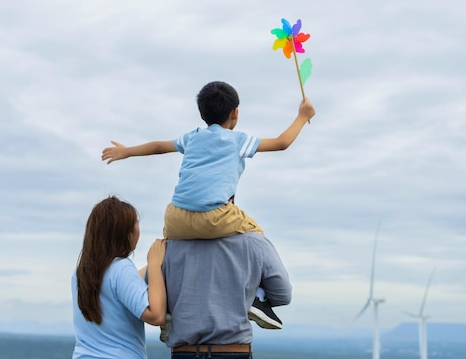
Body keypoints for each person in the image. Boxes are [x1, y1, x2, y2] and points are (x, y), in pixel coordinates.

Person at [101, 80, 314, 330]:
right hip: (215, 215)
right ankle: (257, 298)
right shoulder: (237, 140)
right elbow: (281, 143)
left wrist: (127, 152)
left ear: (201, 114)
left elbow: (159, 147)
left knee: (171, 254)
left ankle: (166, 307)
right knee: (256, 235)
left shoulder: (192, 138)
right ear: (235, 113)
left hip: (176, 217)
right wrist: (302, 116)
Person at [162, 234, 292, 359]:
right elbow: (282, 295)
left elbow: (152, 292)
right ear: (230, 205)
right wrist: (247, 293)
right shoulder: (254, 241)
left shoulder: (169, 244)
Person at [66, 196, 167, 359]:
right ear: (124, 232)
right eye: (135, 223)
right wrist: (156, 263)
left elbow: (125, 287)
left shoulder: (83, 273)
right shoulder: (121, 268)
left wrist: (150, 269)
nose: (138, 228)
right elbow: (156, 314)